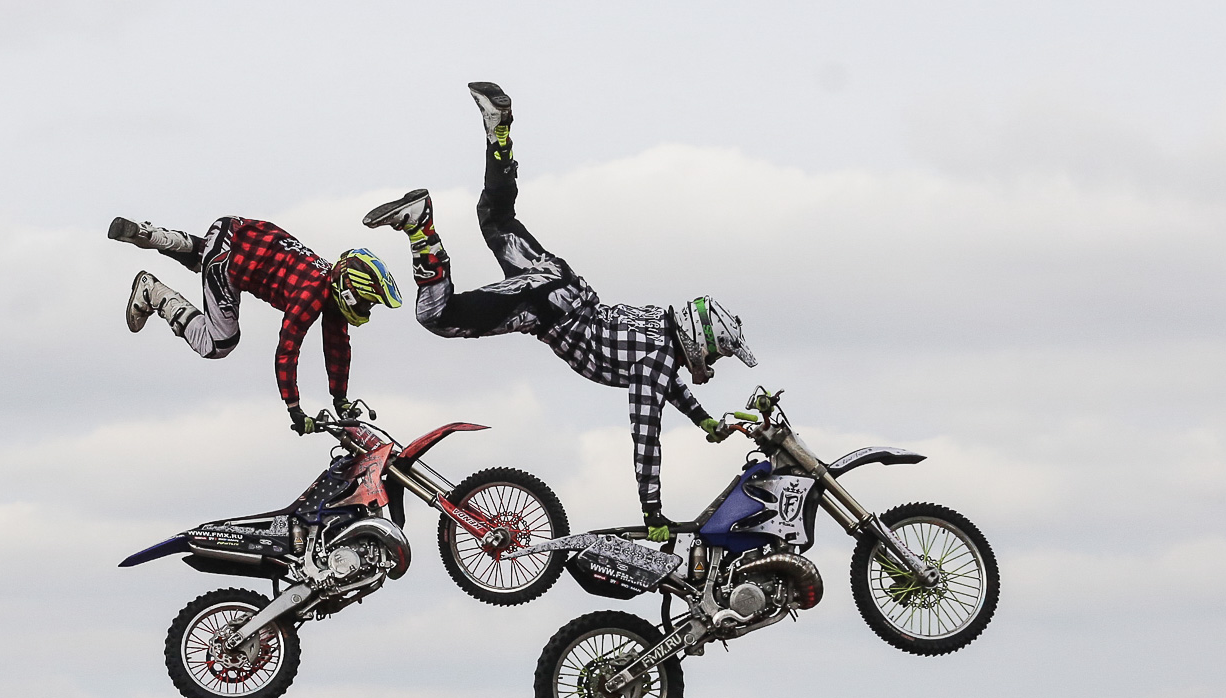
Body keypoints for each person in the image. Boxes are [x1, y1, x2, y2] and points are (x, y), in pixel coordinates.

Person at [361, 82, 757, 541]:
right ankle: (420, 225)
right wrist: (654, 516)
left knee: (494, 215)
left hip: (559, 279)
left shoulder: (659, 335)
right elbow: (646, 440)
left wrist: (705, 421)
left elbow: (667, 382)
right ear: (698, 339)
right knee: (438, 316)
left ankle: (499, 133)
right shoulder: (658, 362)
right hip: (541, 306)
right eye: (714, 354)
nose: (707, 365)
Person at [108, 215, 402, 434]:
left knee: (211, 255)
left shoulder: (327, 279)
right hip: (227, 259)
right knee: (220, 342)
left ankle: (152, 235)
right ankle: (154, 293)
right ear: (350, 290)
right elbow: (287, 351)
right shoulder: (311, 295)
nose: (367, 309)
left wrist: (340, 399)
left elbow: (337, 347)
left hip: (231, 228)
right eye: (367, 301)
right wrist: (294, 409)